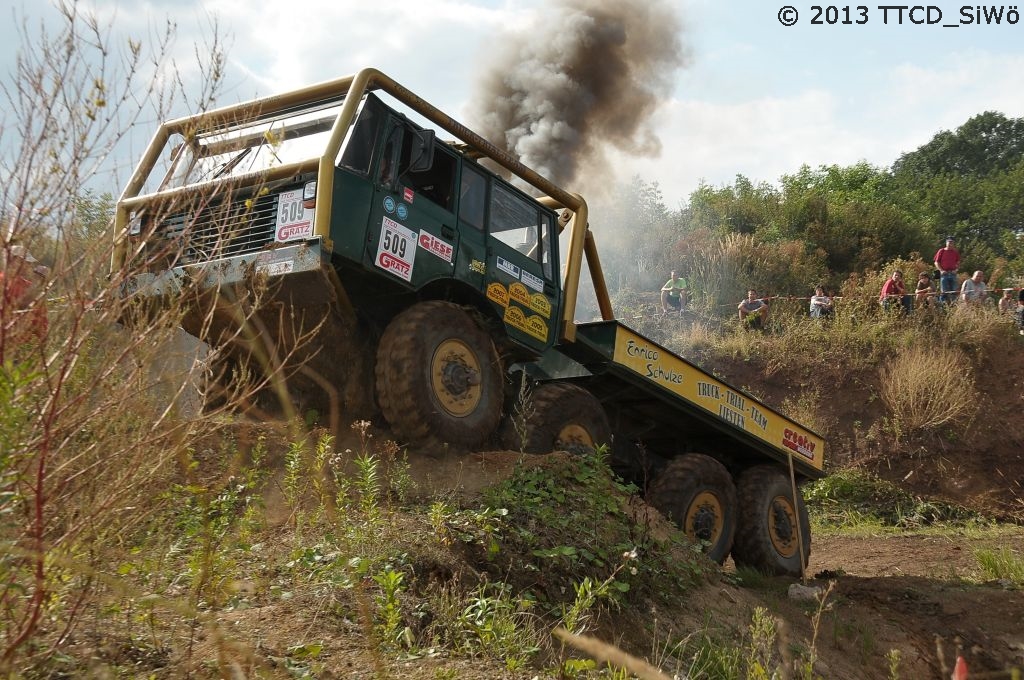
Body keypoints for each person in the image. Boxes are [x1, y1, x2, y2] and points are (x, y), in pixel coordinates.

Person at [1, 244, 49, 349]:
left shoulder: (29, 288)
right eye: (25, 262)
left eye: (27, 263)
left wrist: (42, 337)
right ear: (13, 260)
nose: (27, 266)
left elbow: (40, 318)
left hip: (18, 349)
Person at [933, 236, 961, 304]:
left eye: (952, 242)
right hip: (944, 273)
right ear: (946, 242)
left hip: (952, 273)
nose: (950, 244)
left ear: (954, 243)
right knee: (944, 291)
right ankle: (943, 306)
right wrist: (941, 270)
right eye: (949, 242)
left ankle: (954, 305)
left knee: (954, 291)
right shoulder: (941, 251)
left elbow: (958, 262)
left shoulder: (955, 252)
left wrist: (956, 269)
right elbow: (936, 262)